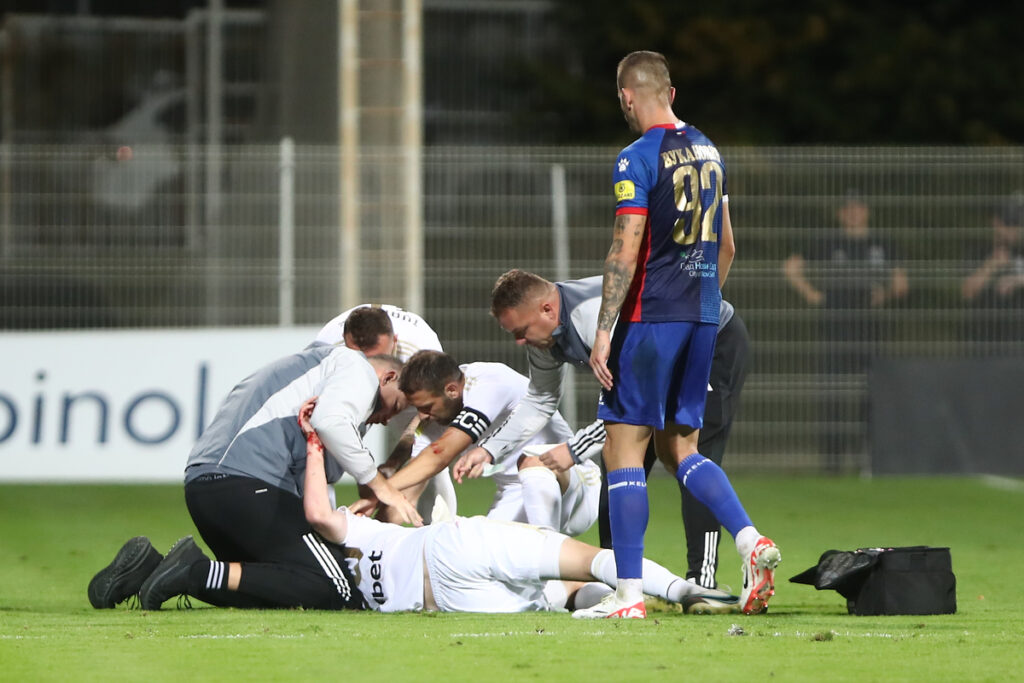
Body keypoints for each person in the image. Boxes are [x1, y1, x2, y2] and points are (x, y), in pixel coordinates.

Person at [580, 50, 778, 619]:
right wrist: (703, 302)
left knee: (624, 446)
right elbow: (728, 246)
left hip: (651, 317)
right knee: (682, 448)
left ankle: (627, 597)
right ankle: (750, 542)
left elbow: (626, 247)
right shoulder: (710, 151)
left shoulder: (636, 158)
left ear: (627, 98)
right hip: (703, 316)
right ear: (673, 91)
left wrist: (604, 330)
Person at [300, 399, 738, 615]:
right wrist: (315, 443)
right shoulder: (356, 529)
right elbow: (320, 512)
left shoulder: (351, 590)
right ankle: (683, 590)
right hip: (455, 546)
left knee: (560, 597)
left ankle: (625, 599)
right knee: (592, 562)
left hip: (447, 602)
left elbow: (320, 520)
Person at [87, 345, 420, 611]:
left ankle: (150, 569)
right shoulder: (355, 368)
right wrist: (382, 488)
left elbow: (322, 470)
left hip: (210, 489)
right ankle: (193, 571)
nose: (388, 418)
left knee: (278, 588)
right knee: (338, 587)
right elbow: (331, 422)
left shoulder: (313, 372)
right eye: (397, 406)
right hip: (246, 487)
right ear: (388, 377)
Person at [482, 270, 750, 597]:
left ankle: (703, 582)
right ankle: (623, 582)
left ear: (547, 310)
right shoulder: (544, 334)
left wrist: (575, 449)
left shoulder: (592, 318)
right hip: (656, 360)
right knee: (619, 462)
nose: (519, 342)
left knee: (688, 456)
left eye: (521, 331)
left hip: (710, 341)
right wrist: (489, 450)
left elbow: (629, 404)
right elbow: (540, 399)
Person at [367, 349, 602, 537]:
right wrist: (370, 531)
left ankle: (547, 556)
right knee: (478, 564)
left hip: (574, 483)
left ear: (451, 390)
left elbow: (439, 455)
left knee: (534, 464)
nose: (423, 416)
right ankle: (595, 589)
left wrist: (378, 491)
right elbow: (411, 484)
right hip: (514, 494)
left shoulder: (488, 381)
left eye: (426, 407)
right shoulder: (435, 414)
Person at [783, 191, 908, 470]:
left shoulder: (882, 244)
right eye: (848, 209)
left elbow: (901, 284)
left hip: (871, 331)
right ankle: (833, 463)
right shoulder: (827, 242)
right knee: (833, 396)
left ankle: (869, 460)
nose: (853, 213)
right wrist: (812, 295)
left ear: (866, 212)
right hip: (835, 330)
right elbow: (791, 267)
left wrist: (884, 294)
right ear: (841, 214)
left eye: (858, 208)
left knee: (872, 396)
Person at [313, 304, 451, 522]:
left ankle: (438, 534)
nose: (368, 371)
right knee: (319, 453)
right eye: (360, 360)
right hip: (349, 393)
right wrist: (369, 476)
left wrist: (393, 465)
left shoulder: (421, 348)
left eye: (375, 361)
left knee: (430, 455)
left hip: (407, 391)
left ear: (394, 342)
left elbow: (428, 420)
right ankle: (323, 529)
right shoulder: (327, 346)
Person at [961, 194, 1024, 343]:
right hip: (982, 340)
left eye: (1017, 224)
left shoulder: (1020, 252)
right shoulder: (979, 252)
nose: (1013, 230)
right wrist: (991, 266)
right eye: (1009, 223)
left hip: (1017, 343)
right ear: (996, 223)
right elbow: (967, 292)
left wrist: (1017, 280)